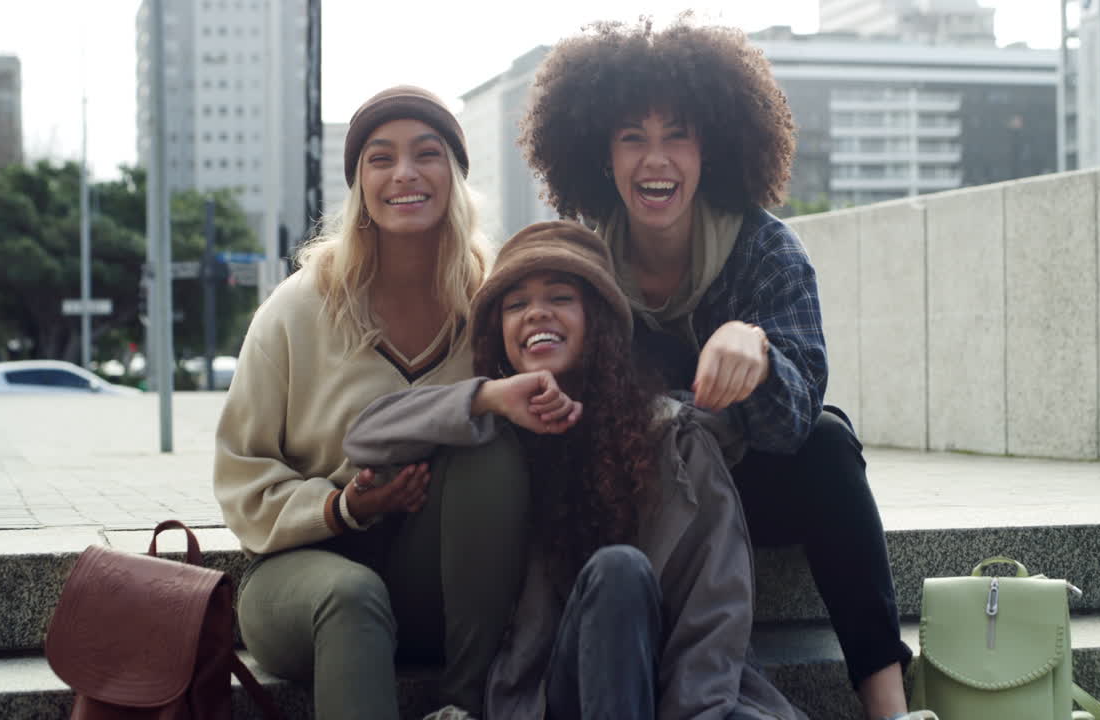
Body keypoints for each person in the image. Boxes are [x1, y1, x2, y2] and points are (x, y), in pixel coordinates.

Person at [518, 19, 926, 720]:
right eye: (632, 137)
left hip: (740, 485)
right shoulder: (579, 266)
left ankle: (889, 708)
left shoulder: (765, 250)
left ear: (713, 145)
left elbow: (797, 417)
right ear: (599, 152)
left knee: (831, 441)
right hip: (632, 504)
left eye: (678, 133)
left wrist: (758, 354)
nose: (656, 160)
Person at [344, 220, 807, 720]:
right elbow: (365, 438)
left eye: (560, 297)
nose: (537, 312)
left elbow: (715, 607)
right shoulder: (488, 436)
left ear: (599, 320)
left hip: (668, 690)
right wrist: (487, 397)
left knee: (625, 577)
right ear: (498, 333)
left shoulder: (674, 437)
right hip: (545, 695)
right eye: (516, 304)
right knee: (617, 570)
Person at [213, 85, 531, 720]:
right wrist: (341, 506)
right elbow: (241, 481)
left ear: (456, 175)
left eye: (427, 153)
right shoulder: (297, 309)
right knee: (352, 595)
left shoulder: (495, 305)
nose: (405, 174)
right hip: (301, 578)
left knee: (488, 451)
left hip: (435, 587)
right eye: (381, 158)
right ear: (359, 180)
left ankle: (465, 706)